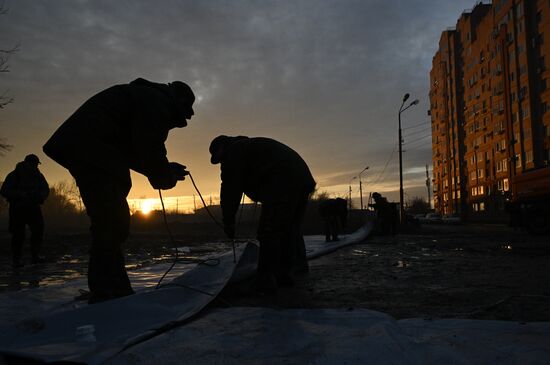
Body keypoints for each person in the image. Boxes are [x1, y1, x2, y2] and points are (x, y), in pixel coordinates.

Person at [43, 78, 195, 303]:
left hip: (88, 150)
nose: (172, 124)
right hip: (90, 151)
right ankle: (107, 291)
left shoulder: (143, 98)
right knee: (112, 221)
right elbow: (147, 146)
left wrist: (163, 168)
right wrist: (163, 176)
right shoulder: (156, 102)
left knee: (112, 222)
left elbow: (133, 149)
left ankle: (112, 287)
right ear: (178, 101)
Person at [209, 135, 316, 292]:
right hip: (303, 179)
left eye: (219, 159)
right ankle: (287, 273)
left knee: (269, 231)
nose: (221, 164)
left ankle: (265, 280)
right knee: (289, 227)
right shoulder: (250, 147)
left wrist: (228, 221)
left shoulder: (234, 152)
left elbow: (230, 190)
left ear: (222, 148)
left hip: (282, 178)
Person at [0, 154, 50, 268]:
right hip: (17, 208)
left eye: (36, 164)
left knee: (38, 231)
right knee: (18, 234)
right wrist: (20, 195)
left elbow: (45, 189)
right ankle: (16, 259)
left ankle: (35, 256)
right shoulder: (14, 175)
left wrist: (41, 197)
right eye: (33, 164)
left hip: (33, 207)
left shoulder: (38, 176)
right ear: (27, 163)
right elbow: (4, 191)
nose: (35, 166)